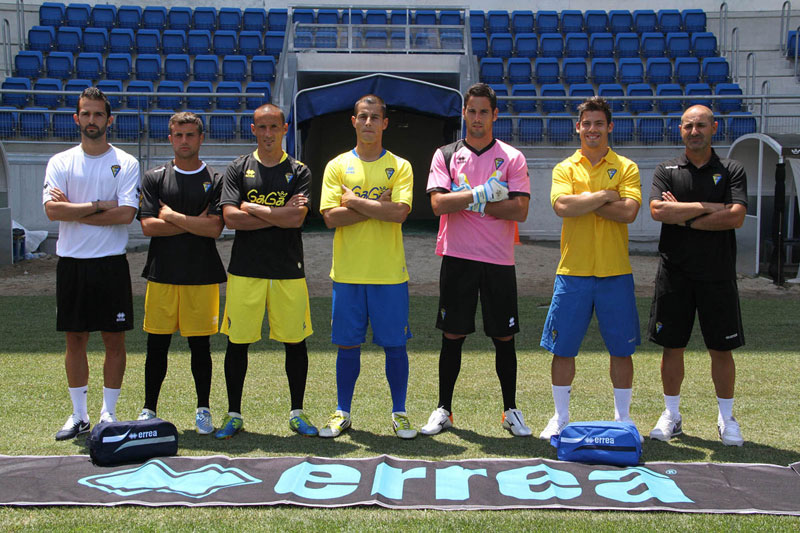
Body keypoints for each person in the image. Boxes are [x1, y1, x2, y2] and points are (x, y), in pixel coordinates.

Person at [421, 83, 532, 437]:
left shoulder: (512, 157)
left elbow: (520, 209)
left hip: (499, 260)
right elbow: (438, 204)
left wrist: (465, 198)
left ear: (495, 115)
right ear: (464, 113)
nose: (478, 118)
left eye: (485, 112)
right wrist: (485, 193)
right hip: (458, 256)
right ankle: (444, 409)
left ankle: (510, 410)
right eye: (472, 111)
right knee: (452, 335)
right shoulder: (446, 154)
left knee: (504, 337)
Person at [539, 97, 642, 441]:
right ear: (578, 127)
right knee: (563, 348)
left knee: (621, 349)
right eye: (587, 123)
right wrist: (605, 196)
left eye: (599, 123)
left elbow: (629, 212)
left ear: (609, 127)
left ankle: (623, 418)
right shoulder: (565, 167)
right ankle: (560, 417)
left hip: (615, 273)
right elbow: (562, 206)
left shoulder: (626, 166)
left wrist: (585, 202)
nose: (593, 129)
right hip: (573, 272)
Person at [647, 105, 747, 446]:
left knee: (721, 349)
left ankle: (726, 418)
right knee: (672, 347)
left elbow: (736, 217)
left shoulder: (731, 169)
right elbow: (659, 210)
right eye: (689, 125)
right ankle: (671, 415)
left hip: (717, 274)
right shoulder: (667, 169)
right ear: (680, 130)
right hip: (675, 273)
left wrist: (684, 215)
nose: (695, 131)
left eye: (701, 125)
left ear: (714, 127)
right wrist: (709, 207)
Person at [43, 87, 140, 440]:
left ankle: (108, 414)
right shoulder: (60, 162)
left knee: (114, 341)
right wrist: (100, 205)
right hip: (72, 263)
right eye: (86, 114)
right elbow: (53, 210)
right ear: (77, 118)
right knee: (75, 339)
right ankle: (79, 415)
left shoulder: (126, 162)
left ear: (109, 120)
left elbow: (126, 214)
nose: (92, 120)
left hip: (110, 264)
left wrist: (77, 208)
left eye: (98, 114)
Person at [318, 94, 416, 439]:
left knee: (395, 346)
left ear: (385, 123)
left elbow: (400, 213)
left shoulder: (401, 166)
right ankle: (342, 411)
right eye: (364, 117)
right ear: (354, 121)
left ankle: (400, 412)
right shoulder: (336, 165)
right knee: (348, 345)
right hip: (347, 274)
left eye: (376, 117)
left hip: (389, 274)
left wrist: (354, 201)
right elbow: (330, 218)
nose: (370, 123)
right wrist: (378, 204)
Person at [215, 103, 316, 439]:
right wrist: (277, 213)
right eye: (262, 127)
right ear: (253, 129)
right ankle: (233, 414)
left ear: (285, 128)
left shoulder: (299, 171)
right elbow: (230, 219)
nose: (269, 134)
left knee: (295, 342)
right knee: (237, 343)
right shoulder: (237, 168)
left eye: (275, 127)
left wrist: (252, 207)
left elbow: (296, 219)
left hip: (288, 269)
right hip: (245, 269)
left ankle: (298, 412)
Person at [136, 112, 226, 434]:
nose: (184, 141)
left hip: (201, 276)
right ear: (170, 138)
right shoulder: (154, 177)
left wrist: (171, 216)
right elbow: (148, 225)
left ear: (201, 138)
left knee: (200, 347)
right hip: (162, 274)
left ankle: (203, 409)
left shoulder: (216, 179)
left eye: (190, 135)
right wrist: (193, 223)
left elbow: (215, 228)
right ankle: (149, 409)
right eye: (178, 135)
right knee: (156, 346)